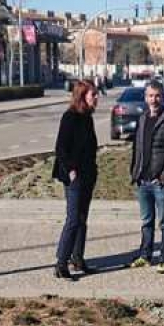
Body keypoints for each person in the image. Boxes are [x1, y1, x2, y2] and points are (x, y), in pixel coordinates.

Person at [128, 80, 164, 273]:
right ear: (145, 97)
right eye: (150, 96)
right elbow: (137, 148)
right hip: (143, 181)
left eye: (158, 95)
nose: (154, 99)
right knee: (146, 221)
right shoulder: (143, 117)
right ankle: (145, 255)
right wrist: (134, 172)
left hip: (160, 182)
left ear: (163, 96)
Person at [52, 79, 100, 280]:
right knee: (73, 219)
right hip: (75, 177)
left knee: (82, 220)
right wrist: (71, 170)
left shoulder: (87, 117)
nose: (96, 98)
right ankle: (61, 263)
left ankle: (78, 259)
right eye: (93, 95)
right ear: (82, 96)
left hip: (88, 174)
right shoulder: (70, 117)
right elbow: (61, 148)